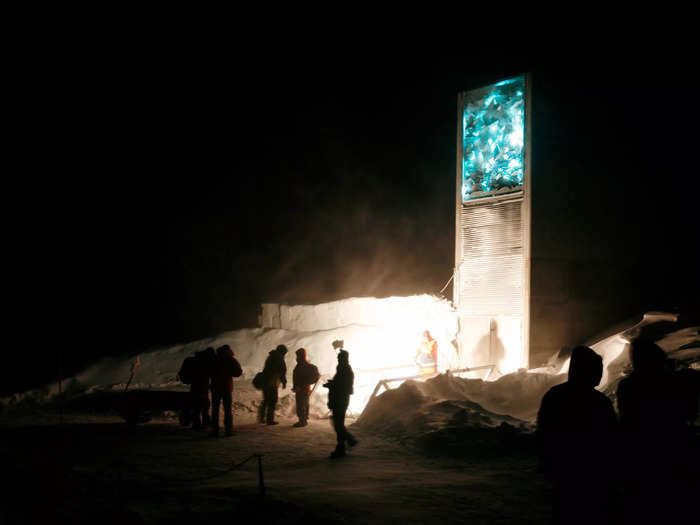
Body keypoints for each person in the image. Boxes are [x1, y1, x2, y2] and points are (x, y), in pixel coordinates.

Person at [616, 339, 699, 524]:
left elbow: (626, 420)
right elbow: (688, 410)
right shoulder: (674, 382)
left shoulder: (628, 386)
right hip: (674, 449)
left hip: (640, 453)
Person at [536, 346, 618, 525]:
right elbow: (611, 437)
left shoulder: (554, 396)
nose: (600, 374)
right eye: (597, 370)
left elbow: (543, 430)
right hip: (589, 469)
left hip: (563, 466)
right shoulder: (599, 402)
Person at [324, 349, 358, 458]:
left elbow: (342, 386)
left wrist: (331, 385)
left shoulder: (345, 370)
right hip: (340, 399)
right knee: (338, 423)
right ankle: (346, 442)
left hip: (340, 400)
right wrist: (332, 384)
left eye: (339, 358)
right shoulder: (343, 369)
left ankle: (345, 444)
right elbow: (342, 384)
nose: (338, 360)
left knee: (338, 424)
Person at [209, 344, 242, 437]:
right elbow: (238, 372)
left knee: (215, 410)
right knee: (227, 410)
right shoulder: (230, 359)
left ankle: (214, 431)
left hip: (215, 387)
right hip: (226, 388)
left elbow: (209, 371)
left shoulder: (215, 359)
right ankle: (228, 430)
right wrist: (228, 372)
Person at [258, 344, 288, 425]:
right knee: (272, 401)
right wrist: (284, 382)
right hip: (272, 383)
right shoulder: (279, 359)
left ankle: (261, 418)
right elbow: (282, 372)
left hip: (265, 381)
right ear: (282, 352)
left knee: (266, 400)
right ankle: (269, 420)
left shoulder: (270, 357)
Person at [292, 347, 320, 427]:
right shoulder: (305, 365)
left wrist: (299, 385)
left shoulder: (302, 365)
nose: (296, 357)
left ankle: (302, 421)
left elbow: (297, 377)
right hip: (304, 388)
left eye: (297, 355)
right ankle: (304, 418)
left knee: (301, 404)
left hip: (301, 388)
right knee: (305, 403)